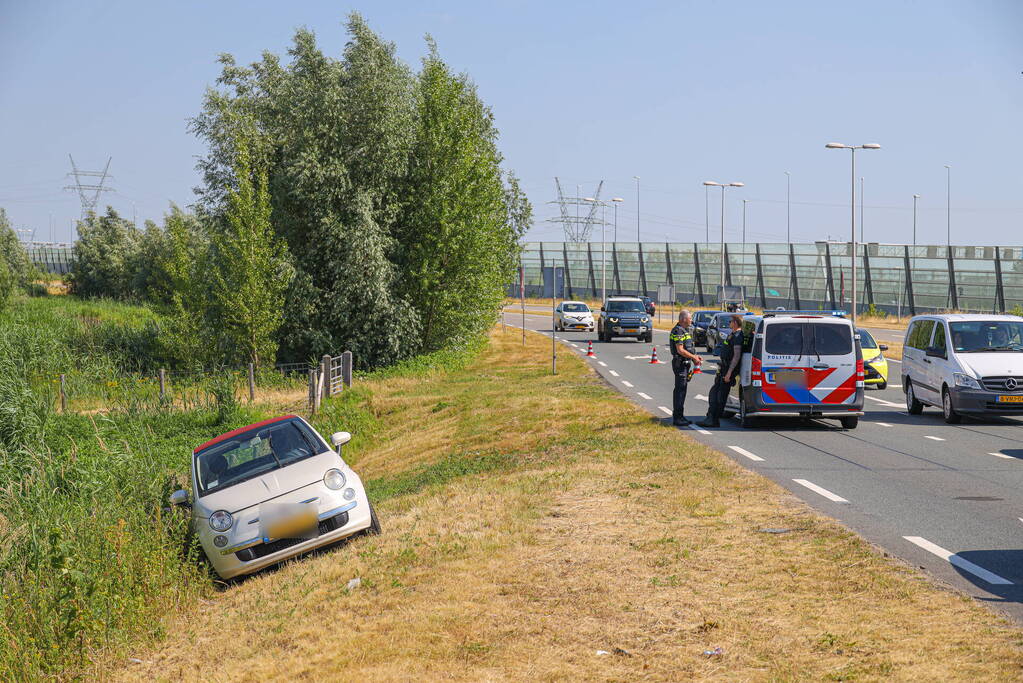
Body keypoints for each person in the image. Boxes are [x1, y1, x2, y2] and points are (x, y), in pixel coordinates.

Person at [698, 314, 744, 429]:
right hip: (723, 368)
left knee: (720, 396)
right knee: (714, 392)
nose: (729, 323)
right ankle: (711, 417)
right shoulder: (732, 334)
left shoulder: (738, 336)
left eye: (730, 321)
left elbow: (736, 356)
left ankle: (714, 420)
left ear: (735, 323)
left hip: (728, 370)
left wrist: (729, 373)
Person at [669, 310, 703, 426]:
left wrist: (694, 357)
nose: (691, 320)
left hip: (685, 364)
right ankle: (677, 418)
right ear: (684, 319)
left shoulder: (685, 330)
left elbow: (687, 348)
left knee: (682, 390)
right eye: (690, 318)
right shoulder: (678, 331)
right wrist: (693, 357)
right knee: (680, 390)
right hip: (680, 364)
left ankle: (680, 416)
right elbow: (680, 350)